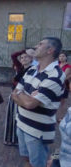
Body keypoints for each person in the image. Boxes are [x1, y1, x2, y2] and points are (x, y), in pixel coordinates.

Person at [11, 37, 66, 167]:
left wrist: (22, 95)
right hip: (22, 124)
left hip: (37, 131)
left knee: (37, 164)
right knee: (26, 159)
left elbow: (30, 104)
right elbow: (14, 92)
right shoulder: (31, 70)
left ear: (50, 50)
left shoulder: (56, 75)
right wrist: (28, 96)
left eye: (40, 44)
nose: (36, 46)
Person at [4, 49, 33, 146]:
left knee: (19, 118)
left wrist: (16, 84)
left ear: (31, 59)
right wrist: (24, 51)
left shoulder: (32, 70)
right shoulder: (20, 68)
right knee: (11, 116)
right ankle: (11, 138)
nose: (23, 59)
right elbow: (13, 55)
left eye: (26, 57)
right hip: (14, 95)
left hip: (23, 96)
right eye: (22, 57)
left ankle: (18, 140)